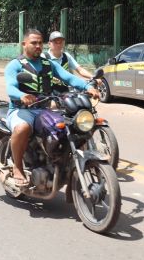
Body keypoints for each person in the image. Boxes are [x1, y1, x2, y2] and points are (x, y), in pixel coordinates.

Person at [5, 28, 99, 188]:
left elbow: (68, 77)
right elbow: (10, 87)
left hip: (45, 108)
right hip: (22, 110)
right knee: (22, 128)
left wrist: (87, 86)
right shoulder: (15, 65)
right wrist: (21, 96)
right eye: (33, 43)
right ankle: (17, 166)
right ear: (24, 44)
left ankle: (61, 160)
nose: (37, 46)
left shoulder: (48, 64)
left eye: (40, 43)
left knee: (72, 126)